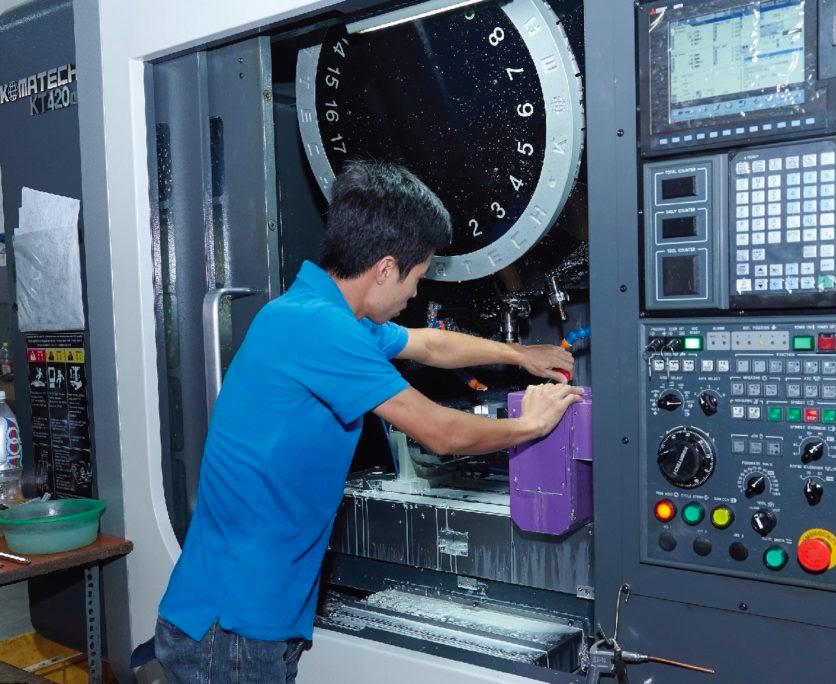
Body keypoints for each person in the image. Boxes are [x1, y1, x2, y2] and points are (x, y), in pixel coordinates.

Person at [154, 160, 583, 683]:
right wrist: (530, 426)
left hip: (244, 618)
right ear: (384, 268)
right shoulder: (320, 328)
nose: (415, 295)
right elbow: (440, 433)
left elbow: (429, 343)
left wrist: (521, 354)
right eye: (417, 277)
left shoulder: (319, 313)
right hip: (233, 628)